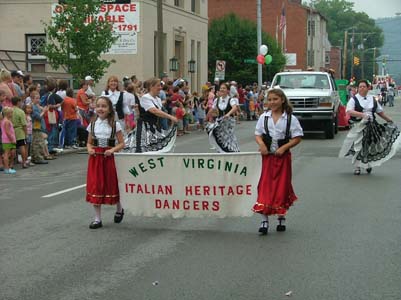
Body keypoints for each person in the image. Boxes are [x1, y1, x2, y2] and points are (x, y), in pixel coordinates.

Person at [252, 88, 303, 235]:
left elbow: (297, 137)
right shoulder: (264, 117)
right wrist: (261, 144)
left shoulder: (290, 119)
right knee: (264, 187)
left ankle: (281, 216)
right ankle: (264, 220)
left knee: (281, 187)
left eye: (275, 99)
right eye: (270, 100)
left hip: (282, 158)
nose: (272, 102)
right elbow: (258, 134)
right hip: (267, 158)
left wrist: (285, 147)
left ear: (282, 100)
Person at [339, 79, 400, 175]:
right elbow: (349, 111)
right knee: (358, 146)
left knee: (369, 146)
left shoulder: (372, 99)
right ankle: (357, 167)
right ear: (357, 88)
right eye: (360, 87)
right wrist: (362, 115)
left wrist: (389, 120)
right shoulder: (354, 99)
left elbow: (380, 112)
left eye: (364, 86)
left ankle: (368, 165)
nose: (362, 88)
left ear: (368, 88)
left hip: (371, 125)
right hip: (358, 126)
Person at [86, 96, 125, 229]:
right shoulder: (92, 124)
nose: (100, 109)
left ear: (109, 109)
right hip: (96, 158)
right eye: (98, 106)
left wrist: (112, 150)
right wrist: (90, 149)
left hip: (110, 158)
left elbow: (122, 144)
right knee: (96, 186)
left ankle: (119, 208)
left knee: (113, 183)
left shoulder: (115, 125)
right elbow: (88, 143)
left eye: (104, 106)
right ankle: (97, 219)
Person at [125, 77, 178, 153]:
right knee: (142, 149)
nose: (160, 87)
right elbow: (154, 111)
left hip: (154, 127)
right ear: (151, 87)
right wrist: (170, 117)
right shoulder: (145, 98)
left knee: (155, 149)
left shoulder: (157, 99)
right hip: (144, 127)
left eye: (160, 85)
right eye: (158, 85)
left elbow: (159, 113)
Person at [206, 82, 240, 153]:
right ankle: (221, 150)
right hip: (220, 121)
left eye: (224, 88)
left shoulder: (231, 100)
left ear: (228, 90)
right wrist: (207, 117)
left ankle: (231, 150)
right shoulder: (217, 100)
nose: (222, 89)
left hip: (228, 122)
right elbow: (212, 109)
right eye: (221, 88)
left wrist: (228, 114)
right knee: (215, 132)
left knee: (228, 137)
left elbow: (235, 107)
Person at [1, 107, 17, 174]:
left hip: (9, 139)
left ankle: (9, 167)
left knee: (12, 153)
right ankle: (7, 168)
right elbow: (7, 132)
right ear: (7, 113)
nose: (12, 114)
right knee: (6, 154)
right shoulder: (6, 121)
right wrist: (12, 139)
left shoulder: (6, 120)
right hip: (7, 140)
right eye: (11, 113)